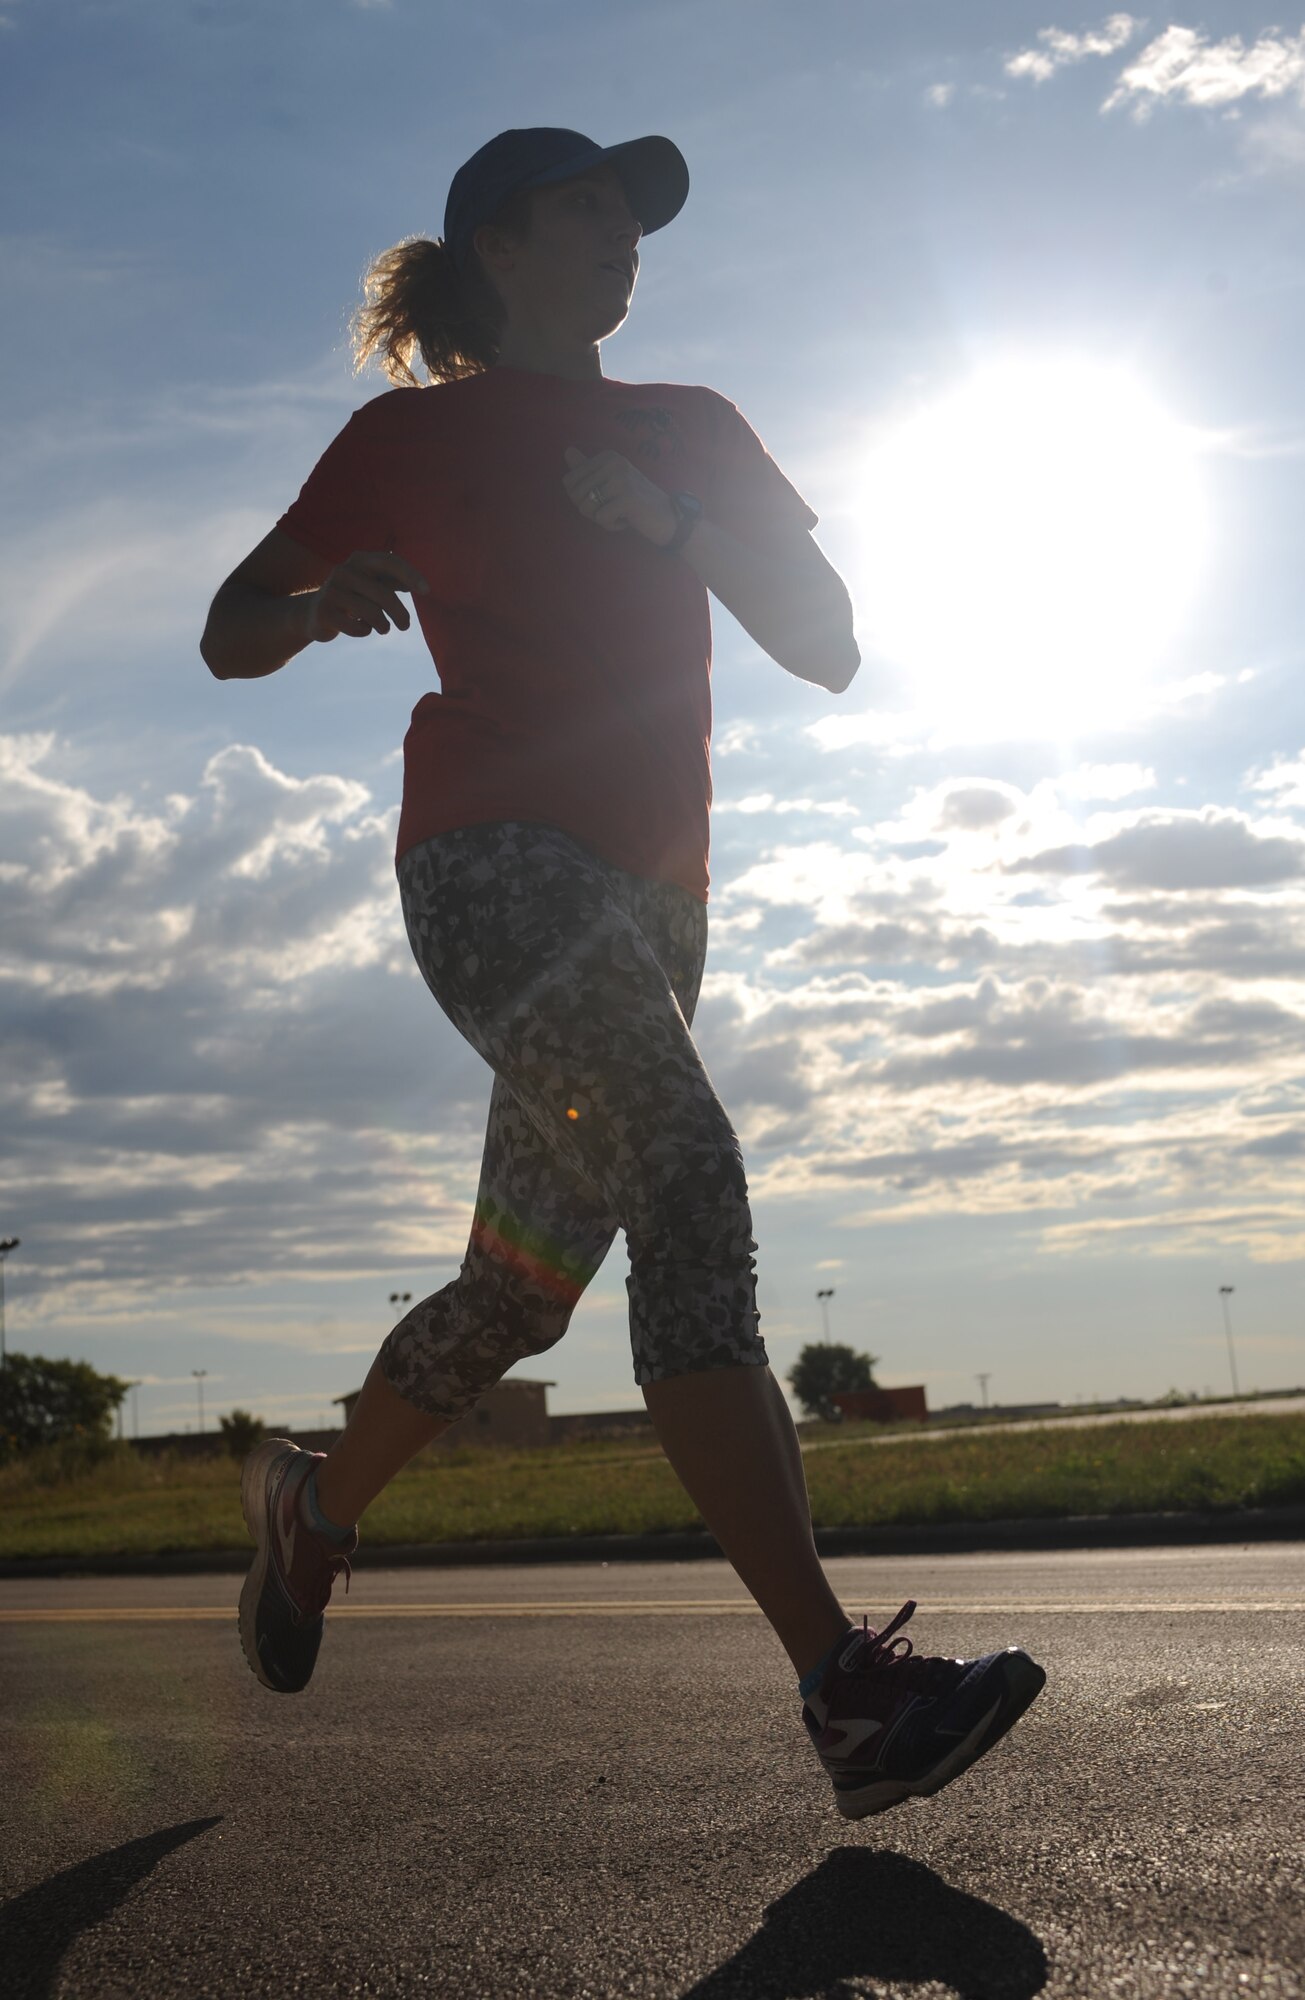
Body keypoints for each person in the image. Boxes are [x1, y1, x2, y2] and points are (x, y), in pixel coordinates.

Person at [200, 127, 1044, 1820]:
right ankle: (843, 1691)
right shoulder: (409, 438)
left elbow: (827, 645)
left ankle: (313, 1503)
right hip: (491, 858)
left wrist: (675, 525)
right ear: (502, 243)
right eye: (593, 210)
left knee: (522, 1291)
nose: (627, 240)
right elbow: (235, 623)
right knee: (683, 1165)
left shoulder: (692, 427)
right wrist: (325, 600)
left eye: (634, 220)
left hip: (654, 904)